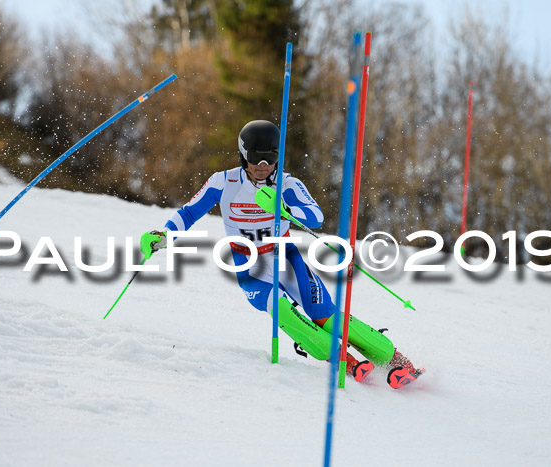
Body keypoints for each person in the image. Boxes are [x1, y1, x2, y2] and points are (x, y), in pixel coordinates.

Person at [140, 120, 422, 388]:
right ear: (242, 154)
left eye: (270, 158)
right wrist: (165, 234)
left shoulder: (287, 184)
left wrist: (285, 211)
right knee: (282, 311)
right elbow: (189, 212)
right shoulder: (223, 183)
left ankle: (396, 360)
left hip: (287, 260)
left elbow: (316, 216)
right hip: (249, 266)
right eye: (255, 157)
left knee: (326, 316)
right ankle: (344, 361)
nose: (262, 166)